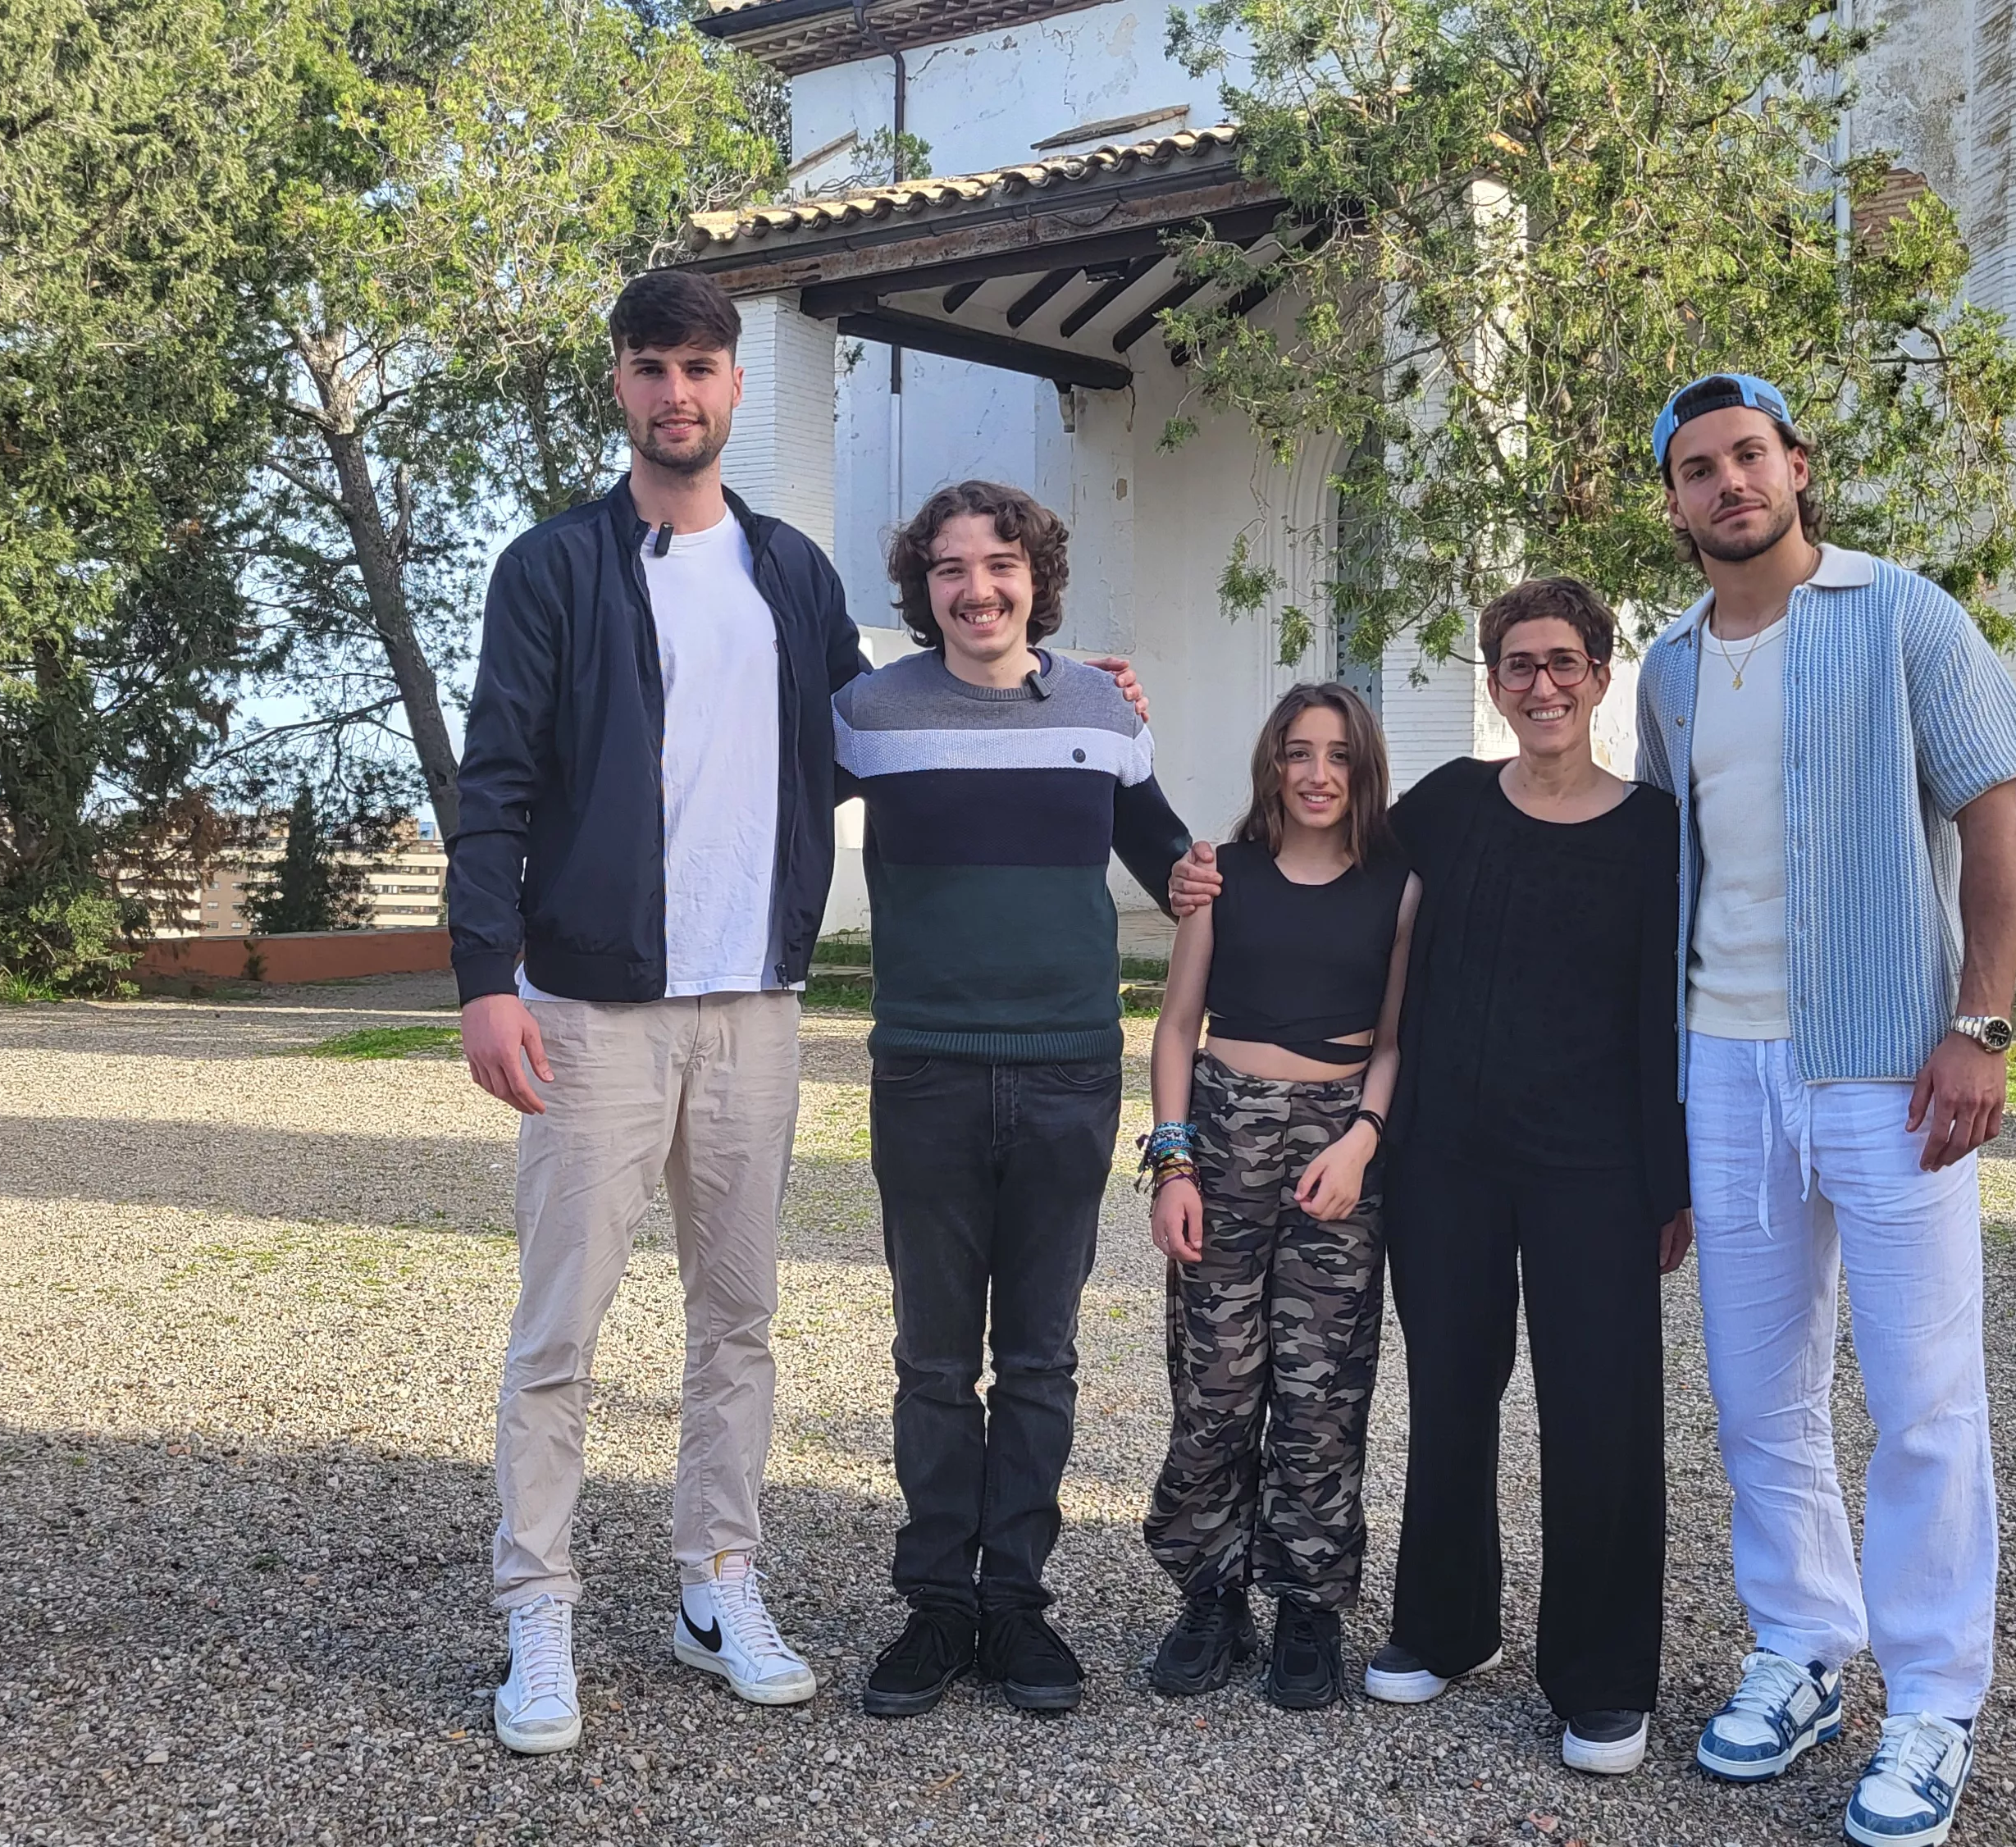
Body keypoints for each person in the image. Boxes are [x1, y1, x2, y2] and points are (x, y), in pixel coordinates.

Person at [446, 276, 1155, 1751]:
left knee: (739, 1321)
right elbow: (495, 782)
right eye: (652, 369)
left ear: (731, 387)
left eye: (700, 367)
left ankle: (717, 1581)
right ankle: (539, 1607)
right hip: (592, 1007)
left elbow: (891, 724)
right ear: (624, 386)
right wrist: (482, 979)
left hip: (756, 1006)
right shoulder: (554, 569)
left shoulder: (789, 573)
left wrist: (1065, 692)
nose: (678, 394)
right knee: (560, 1328)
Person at [1175, 578, 1691, 1773]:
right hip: (1448, 1157)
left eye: (1565, 662)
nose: (1544, 686)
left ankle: (1603, 1676)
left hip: (1596, 1167)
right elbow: (1322, 855)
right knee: (1452, 1396)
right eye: (1519, 665)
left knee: (1601, 1414)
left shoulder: (1656, 831)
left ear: (1601, 676)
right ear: (1495, 680)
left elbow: (1670, 1015)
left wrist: (1672, 1182)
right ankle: (1446, 1625)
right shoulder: (1451, 808)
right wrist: (1193, 871)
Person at [1635, 372, 2016, 1847]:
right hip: (1725, 1068)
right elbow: (1670, 881)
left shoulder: (1905, 615)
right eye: (1699, 468)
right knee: (1759, 1393)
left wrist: (1980, 1022)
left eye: (1750, 455)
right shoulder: (1669, 669)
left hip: (1888, 1061)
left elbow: (1994, 811)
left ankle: (1933, 1702)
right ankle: (1806, 1645)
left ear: (1797, 467)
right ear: (1676, 501)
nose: (1729, 483)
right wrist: (1663, 1116)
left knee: (1927, 1397)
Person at [833, 480, 1193, 1719]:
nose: (976, 588)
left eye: (1000, 564)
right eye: (948, 568)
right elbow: (750, 810)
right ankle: (938, 1603)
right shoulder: (867, 713)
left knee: (1039, 1359)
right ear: (920, 585)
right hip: (924, 1070)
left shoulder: (1099, 708)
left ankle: (1017, 1607)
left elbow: (1176, 865)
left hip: (1069, 1071)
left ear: (1037, 574)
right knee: (935, 1361)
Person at [1138, 684, 1416, 1712]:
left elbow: (1393, 1038)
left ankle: (1308, 1599)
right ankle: (1210, 1591)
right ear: (1273, 764)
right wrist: (1172, 1163)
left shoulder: (1397, 885)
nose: (1316, 773)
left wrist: (1362, 1138)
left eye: (1337, 755)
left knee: (1320, 1391)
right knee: (1213, 1384)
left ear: (1362, 769)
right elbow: (1174, 1028)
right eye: (1298, 753)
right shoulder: (1224, 873)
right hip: (1222, 1131)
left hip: (1338, 1144)